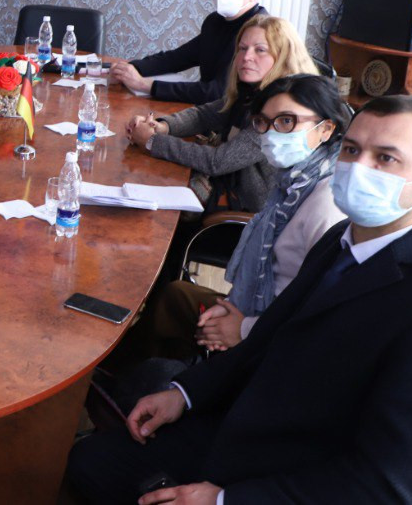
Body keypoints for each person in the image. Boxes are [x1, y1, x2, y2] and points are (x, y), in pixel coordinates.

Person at [67, 94, 412, 504]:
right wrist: (185, 393)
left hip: (296, 480)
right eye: (352, 150)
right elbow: (269, 337)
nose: (359, 168)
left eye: (386, 158)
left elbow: (389, 485)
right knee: (88, 463)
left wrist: (225, 500)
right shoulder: (342, 239)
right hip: (245, 428)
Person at [118, 74, 348, 363]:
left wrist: (243, 329)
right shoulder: (291, 184)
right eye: (263, 123)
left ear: (326, 129)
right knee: (174, 297)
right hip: (253, 308)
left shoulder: (326, 204)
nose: (271, 134)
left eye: (287, 121)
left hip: (278, 342)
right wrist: (233, 307)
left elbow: (321, 313)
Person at [126, 15, 317, 213]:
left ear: (283, 57)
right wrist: (162, 126)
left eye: (260, 50)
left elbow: (217, 162)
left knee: (151, 195)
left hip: (247, 208)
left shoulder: (280, 111)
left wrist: (152, 141)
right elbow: (203, 115)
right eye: (242, 48)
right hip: (230, 182)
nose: (246, 57)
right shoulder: (251, 91)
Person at [111, 0, 266, 105]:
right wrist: (129, 68)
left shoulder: (260, 30)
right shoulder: (215, 21)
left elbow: (218, 92)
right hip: (208, 112)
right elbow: (178, 58)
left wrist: (145, 85)